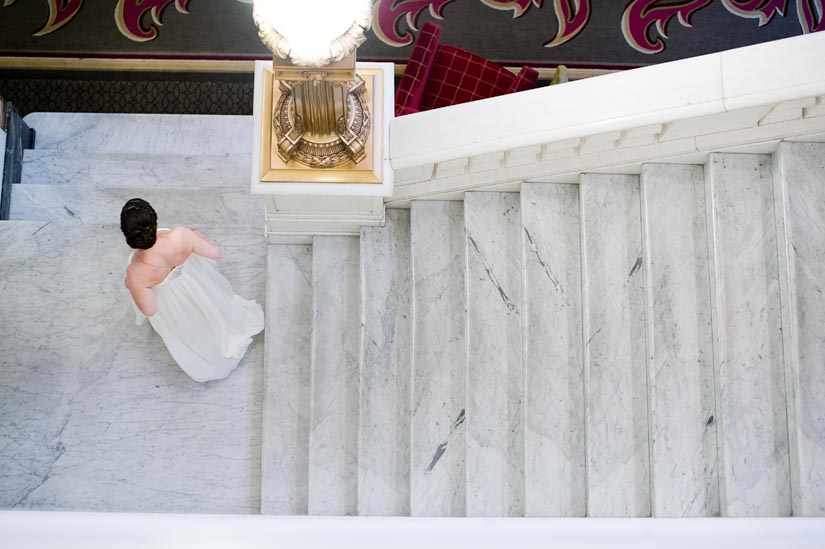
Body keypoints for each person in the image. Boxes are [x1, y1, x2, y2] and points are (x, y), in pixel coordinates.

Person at [120, 198, 264, 382]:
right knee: (213, 308)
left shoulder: (136, 271)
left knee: (194, 327)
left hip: (173, 301)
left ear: (128, 235)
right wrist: (197, 236)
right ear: (155, 218)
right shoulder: (181, 235)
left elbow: (149, 310)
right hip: (197, 282)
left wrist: (133, 286)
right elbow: (215, 253)